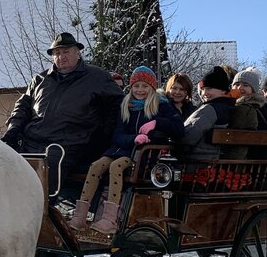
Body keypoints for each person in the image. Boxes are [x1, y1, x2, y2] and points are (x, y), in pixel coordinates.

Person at [1, 32, 124, 194]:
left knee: (39, 187)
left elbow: (118, 108)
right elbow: (22, 107)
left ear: (78, 53)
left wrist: (101, 140)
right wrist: (13, 130)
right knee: (0, 166)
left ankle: (43, 215)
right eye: (57, 53)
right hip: (30, 142)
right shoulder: (40, 80)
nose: (61, 57)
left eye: (66, 52)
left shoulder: (98, 78)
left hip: (68, 145)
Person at [69, 66, 184, 234]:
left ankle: (110, 219)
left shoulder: (161, 105)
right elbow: (117, 135)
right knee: (96, 166)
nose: (140, 90)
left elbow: (179, 129)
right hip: (122, 148)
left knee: (116, 167)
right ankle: (80, 216)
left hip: (142, 155)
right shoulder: (126, 106)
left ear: (151, 87)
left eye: (144, 86)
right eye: (136, 86)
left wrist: (157, 122)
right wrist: (134, 138)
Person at [175, 66, 235, 162]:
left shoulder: (209, 109)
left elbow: (189, 136)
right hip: (215, 159)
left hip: (197, 159)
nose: (204, 93)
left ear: (223, 90)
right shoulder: (230, 107)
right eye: (203, 89)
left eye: (209, 88)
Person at [227, 66, 267, 159]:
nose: (240, 88)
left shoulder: (251, 106)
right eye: (236, 84)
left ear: (253, 89)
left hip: (247, 157)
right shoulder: (230, 104)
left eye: (245, 85)